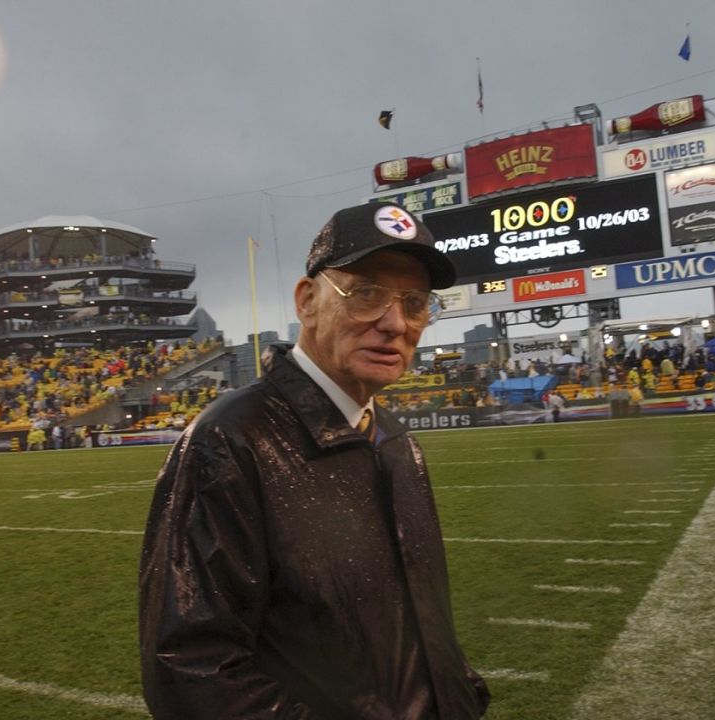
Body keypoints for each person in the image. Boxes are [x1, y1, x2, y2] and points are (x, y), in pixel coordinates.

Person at [139, 203, 489, 719]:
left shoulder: (394, 440)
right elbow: (191, 667)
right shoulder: (229, 440)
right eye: (367, 293)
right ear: (307, 301)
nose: (395, 323)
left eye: (415, 303)